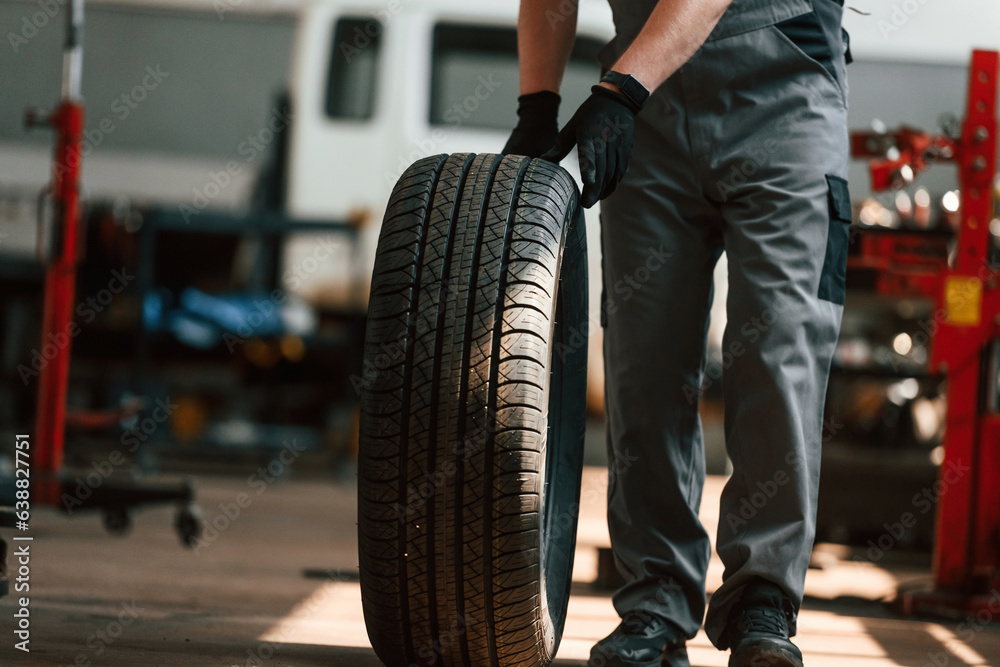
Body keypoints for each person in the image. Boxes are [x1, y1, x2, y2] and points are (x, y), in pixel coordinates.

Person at [502, 1, 852, 666]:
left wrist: (619, 91)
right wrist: (536, 108)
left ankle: (763, 600)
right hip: (649, 107)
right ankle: (655, 603)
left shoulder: (633, 87)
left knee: (779, 349)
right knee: (644, 363)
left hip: (783, 92)